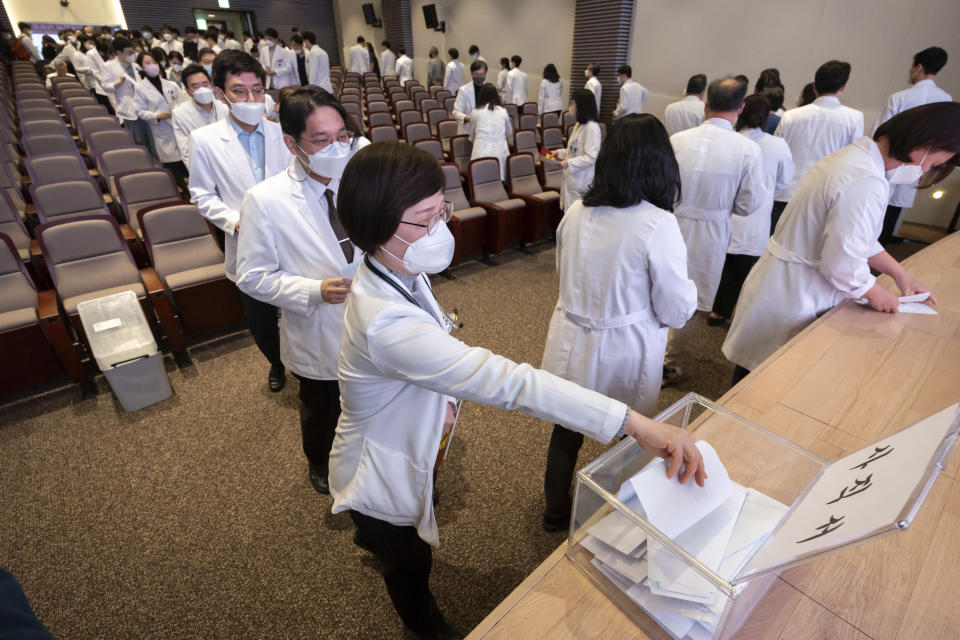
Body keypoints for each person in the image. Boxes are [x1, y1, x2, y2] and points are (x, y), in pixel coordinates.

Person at [330, 141, 707, 640]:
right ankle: (424, 624)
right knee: (406, 559)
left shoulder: (393, 267)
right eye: (425, 220)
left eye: (441, 211)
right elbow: (511, 383)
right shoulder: (385, 323)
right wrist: (632, 422)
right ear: (378, 227)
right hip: (377, 465)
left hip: (407, 434)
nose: (440, 228)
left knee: (404, 533)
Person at [723, 102, 958, 384]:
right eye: (932, 165)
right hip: (796, 292)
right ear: (925, 144)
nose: (924, 171)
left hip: (786, 283)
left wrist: (900, 274)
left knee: (755, 376)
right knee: (760, 386)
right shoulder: (864, 178)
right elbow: (842, 261)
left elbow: (860, 239)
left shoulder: (855, 159)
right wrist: (873, 291)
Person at [540, 114, 698, 532]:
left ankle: (555, 512)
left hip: (572, 338)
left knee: (568, 428)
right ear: (660, 165)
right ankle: (619, 519)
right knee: (635, 435)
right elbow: (676, 308)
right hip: (625, 345)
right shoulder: (657, 222)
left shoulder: (576, 211)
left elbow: (563, 272)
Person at [237, 86, 370, 496]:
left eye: (342, 136)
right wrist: (313, 290)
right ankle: (318, 460)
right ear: (292, 143)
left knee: (372, 395)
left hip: (371, 314)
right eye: (322, 140)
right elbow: (252, 276)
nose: (337, 147)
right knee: (323, 405)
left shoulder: (360, 180)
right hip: (318, 324)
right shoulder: (266, 200)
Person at [188, 50, 293, 392]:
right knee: (261, 317)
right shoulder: (205, 140)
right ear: (221, 94)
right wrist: (236, 222)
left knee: (302, 306)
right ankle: (276, 364)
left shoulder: (282, 133)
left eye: (257, 90)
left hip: (291, 236)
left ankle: (307, 363)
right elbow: (202, 195)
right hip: (245, 239)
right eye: (239, 91)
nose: (251, 98)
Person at [665, 77, 765, 382]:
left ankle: (647, 352)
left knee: (658, 285)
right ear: (742, 107)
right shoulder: (747, 149)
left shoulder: (677, 140)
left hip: (669, 223)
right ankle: (665, 362)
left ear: (706, 105)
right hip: (711, 232)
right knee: (691, 301)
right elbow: (749, 205)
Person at [709, 95, 793, 325]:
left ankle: (716, 310)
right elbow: (785, 181)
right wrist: (766, 194)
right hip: (758, 215)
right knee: (748, 271)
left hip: (724, 212)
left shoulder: (729, 140)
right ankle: (739, 316)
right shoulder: (778, 145)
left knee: (723, 265)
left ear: (740, 111)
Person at [773, 60, 863, 233]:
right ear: (843, 87)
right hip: (822, 196)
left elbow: (778, 154)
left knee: (775, 242)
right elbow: (850, 160)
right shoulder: (854, 118)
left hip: (784, 192)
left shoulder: (790, 116)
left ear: (815, 86)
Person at [873, 47, 951, 244]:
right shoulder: (946, 101)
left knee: (878, 199)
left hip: (891, 156)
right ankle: (885, 241)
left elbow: (879, 131)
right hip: (922, 161)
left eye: (912, 67)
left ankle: (872, 240)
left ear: (918, 67)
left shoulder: (900, 97)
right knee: (898, 201)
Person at [134, 51, 189, 195]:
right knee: (172, 163)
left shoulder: (170, 84)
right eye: (147, 63)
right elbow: (139, 111)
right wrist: (157, 116)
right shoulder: (140, 88)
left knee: (186, 159)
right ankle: (183, 193)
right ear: (141, 67)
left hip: (178, 126)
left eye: (154, 62)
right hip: (161, 129)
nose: (152, 65)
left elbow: (182, 102)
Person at [102, 38, 156, 159]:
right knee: (139, 140)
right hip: (128, 108)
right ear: (118, 52)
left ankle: (156, 162)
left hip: (145, 106)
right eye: (129, 53)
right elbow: (105, 87)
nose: (132, 55)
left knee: (152, 138)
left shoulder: (136, 66)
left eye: (133, 52)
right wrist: (119, 82)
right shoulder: (108, 66)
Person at [172, 63, 228, 169]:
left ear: (211, 84)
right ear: (188, 91)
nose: (202, 89)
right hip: (205, 167)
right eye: (195, 86)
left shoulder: (225, 107)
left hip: (230, 163)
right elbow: (187, 153)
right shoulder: (180, 114)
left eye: (205, 84)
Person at [554, 89, 601, 210]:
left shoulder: (591, 127)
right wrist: (559, 153)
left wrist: (568, 163)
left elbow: (592, 157)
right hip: (571, 179)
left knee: (575, 215)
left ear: (582, 106)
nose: (570, 106)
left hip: (581, 181)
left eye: (573, 103)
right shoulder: (579, 124)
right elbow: (573, 150)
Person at [469, 83, 512, 180]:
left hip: (480, 150)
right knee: (498, 181)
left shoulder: (475, 112)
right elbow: (508, 132)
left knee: (480, 182)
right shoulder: (503, 111)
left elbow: (472, 135)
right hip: (500, 151)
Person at [452, 60, 486, 135]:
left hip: (484, 131)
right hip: (468, 130)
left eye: (481, 74)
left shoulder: (489, 89)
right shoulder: (464, 90)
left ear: (485, 74)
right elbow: (456, 112)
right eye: (476, 74)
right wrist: (468, 118)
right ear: (471, 74)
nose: (479, 77)